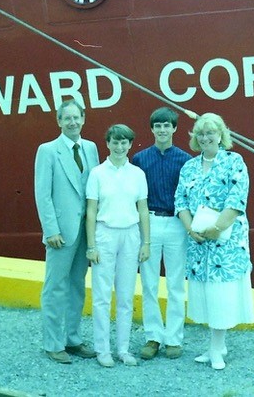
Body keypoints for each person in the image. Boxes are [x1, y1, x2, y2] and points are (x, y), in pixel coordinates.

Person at [174, 112, 254, 370]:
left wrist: (217, 227)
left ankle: (215, 350)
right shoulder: (189, 167)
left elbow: (237, 199)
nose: (206, 137)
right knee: (207, 295)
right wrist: (190, 229)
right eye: (201, 133)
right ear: (195, 138)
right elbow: (180, 201)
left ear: (221, 135)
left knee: (221, 295)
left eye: (211, 132)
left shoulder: (234, 161)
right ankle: (217, 346)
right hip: (199, 241)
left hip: (226, 241)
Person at [34, 99, 99, 364]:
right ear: (59, 121)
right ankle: (52, 343)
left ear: (83, 119)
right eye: (67, 118)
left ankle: (72, 339)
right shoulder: (48, 150)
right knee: (55, 287)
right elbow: (43, 193)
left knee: (76, 286)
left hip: (84, 231)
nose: (72, 122)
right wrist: (51, 230)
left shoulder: (91, 148)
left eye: (76, 117)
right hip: (61, 232)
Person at [85, 124, 151, 368]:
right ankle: (102, 350)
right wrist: (91, 245)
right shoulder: (97, 174)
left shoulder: (137, 174)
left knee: (125, 296)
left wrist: (146, 242)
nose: (120, 146)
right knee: (102, 296)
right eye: (115, 141)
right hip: (105, 234)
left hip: (131, 235)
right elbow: (91, 211)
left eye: (124, 142)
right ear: (108, 143)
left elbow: (142, 209)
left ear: (130, 145)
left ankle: (123, 349)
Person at [132, 107, 192, 360]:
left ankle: (174, 339)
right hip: (150, 224)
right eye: (158, 125)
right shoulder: (140, 159)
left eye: (167, 125)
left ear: (175, 128)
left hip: (177, 224)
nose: (162, 129)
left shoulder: (186, 160)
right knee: (149, 284)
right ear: (152, 128)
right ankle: (153, 337)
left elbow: (190, 195)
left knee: (176, 284)